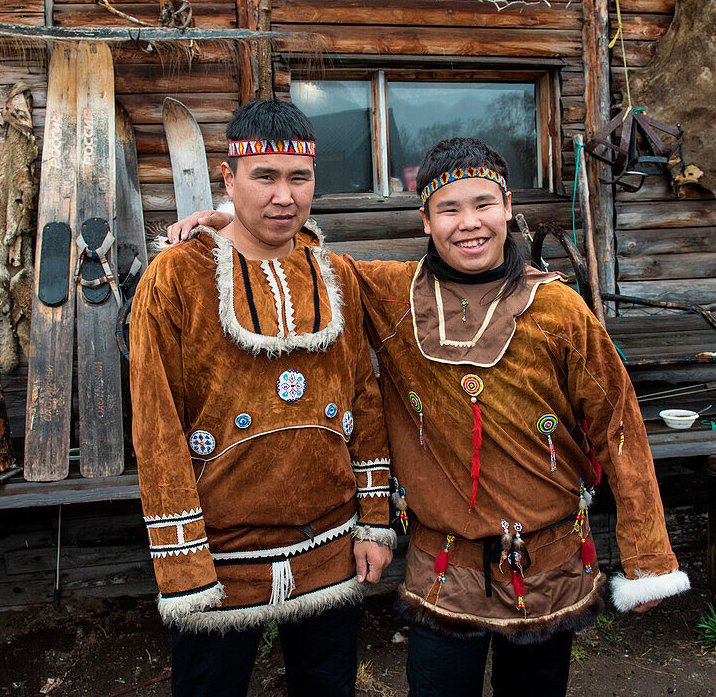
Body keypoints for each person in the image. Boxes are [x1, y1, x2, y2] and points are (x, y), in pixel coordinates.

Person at [169, 137, 688, 696]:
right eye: (449, 209)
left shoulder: (560, 310)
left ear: (509, 207)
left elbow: (619, 426)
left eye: (484, 204)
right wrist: (228, 220)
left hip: (549, 563)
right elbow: (297, 253)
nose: (470, 224)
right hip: (444, 570)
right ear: (425, 220)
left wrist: (648, 554)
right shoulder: (390, 293)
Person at [130, 98, 396, 697]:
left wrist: (374, 522)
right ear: (229, 178)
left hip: (330, 545)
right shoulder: (175, 276)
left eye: (299, 177)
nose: (285, 196)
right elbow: (157, 427)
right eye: (265, 176)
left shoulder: (334, 273)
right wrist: (182, 563)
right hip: (220, 554)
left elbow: (364, 398)